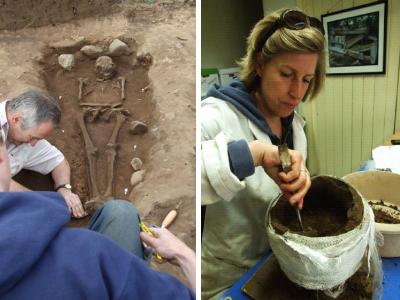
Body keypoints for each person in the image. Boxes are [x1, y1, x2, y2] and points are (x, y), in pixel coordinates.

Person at [201, 8, 326, 299]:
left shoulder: (293, 122)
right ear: (259, 64)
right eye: (286, 75)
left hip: (276, 261)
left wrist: (301, 180)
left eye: (306, 79)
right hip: (227, 279)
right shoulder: (215, 116)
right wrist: (253, 154)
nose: (297, 92)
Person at [0, 133, 195, 299]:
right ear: (3, 158)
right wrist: (183, 254)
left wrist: (62, 189)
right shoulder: (88, 254)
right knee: (121, 212)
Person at [0, 90, 86, 218]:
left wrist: (64, 189)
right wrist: (40, 201)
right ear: (16, 119)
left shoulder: (25, 137)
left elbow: (59, 162)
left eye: (38, 138)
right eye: (32, 137)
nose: (34, 144)